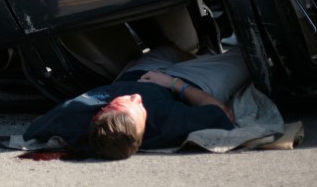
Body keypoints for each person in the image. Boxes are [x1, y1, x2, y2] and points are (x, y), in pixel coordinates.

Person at [19, 46, 252, 160]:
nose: (136, 97)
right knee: (245, 56)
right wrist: (174, 83)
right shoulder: (168, 124)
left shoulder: (74, 120)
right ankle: (209, 58)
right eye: (137, 106)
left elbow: (36, 128)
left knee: (165, 47)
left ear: (98, 115)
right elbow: (221, 112)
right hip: (187, 83)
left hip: (138, 73)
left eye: (118, 103)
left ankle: (197, 53)